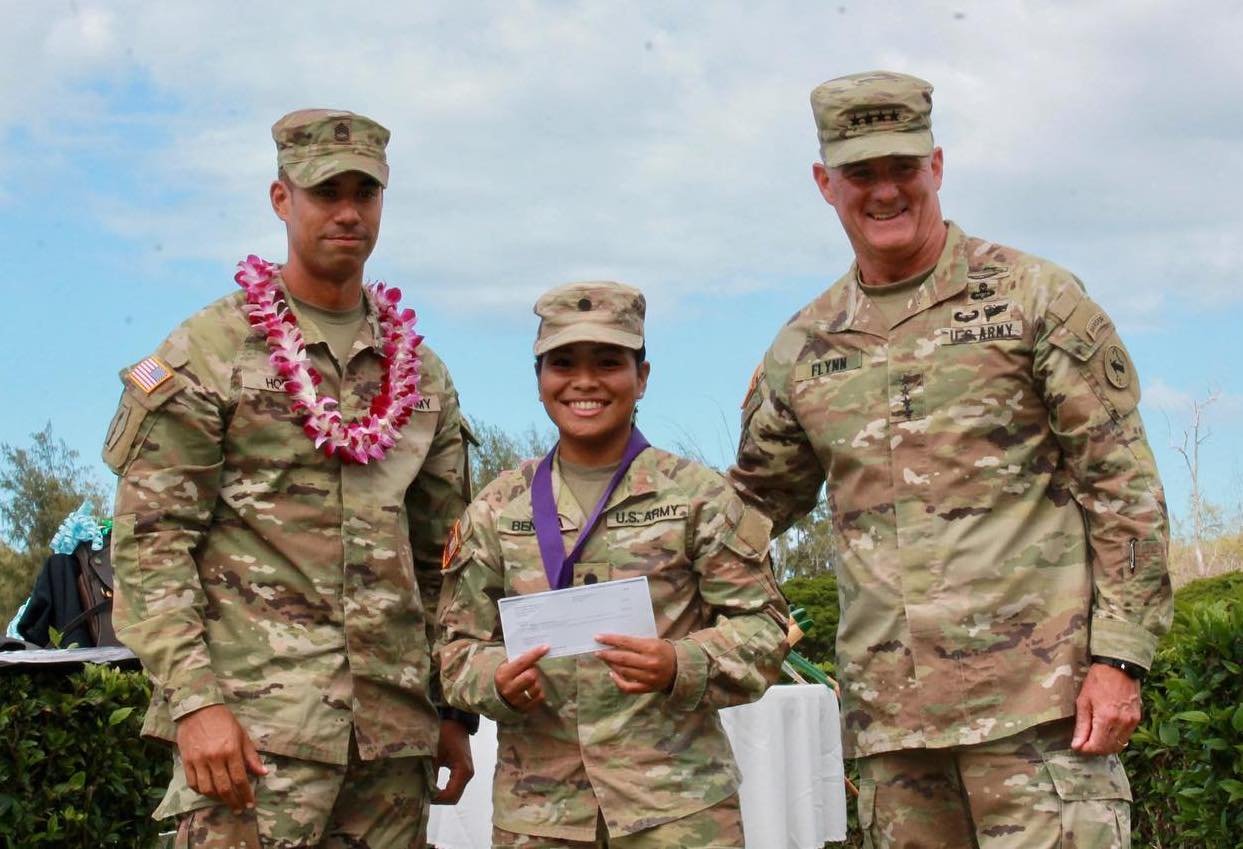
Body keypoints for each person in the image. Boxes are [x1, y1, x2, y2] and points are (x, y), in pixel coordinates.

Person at [729, 71, 1172, 848]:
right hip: (893, 729)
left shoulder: (1033, 298)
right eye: (860, 173)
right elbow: (749, 507)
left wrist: (1119, 659)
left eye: (902, 168)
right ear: (823, 183)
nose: (885, 191)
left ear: (935, 165)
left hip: (1041, 714)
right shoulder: (804, 347)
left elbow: (1121, 488)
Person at [103, 108, 476, 848]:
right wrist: (194, 704)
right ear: (282, 199)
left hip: (389, 745)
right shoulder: (209, 349)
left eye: (363, 194)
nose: (346, 211)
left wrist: (449, 710)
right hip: (252, 740)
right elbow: (152, 543)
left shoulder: (420, 372)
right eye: (324, 191)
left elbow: (446, 561)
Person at [437, 282, 790, 848]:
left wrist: (682, 662)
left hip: (677, 810)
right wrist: (493, 681)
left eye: (608, 362)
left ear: (642, 378)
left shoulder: (699, 497)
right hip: (540, 813)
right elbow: (455, 649)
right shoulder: (498, 508)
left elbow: (766, 628)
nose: (584, 381)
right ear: (539, 381)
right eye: (563, 364)